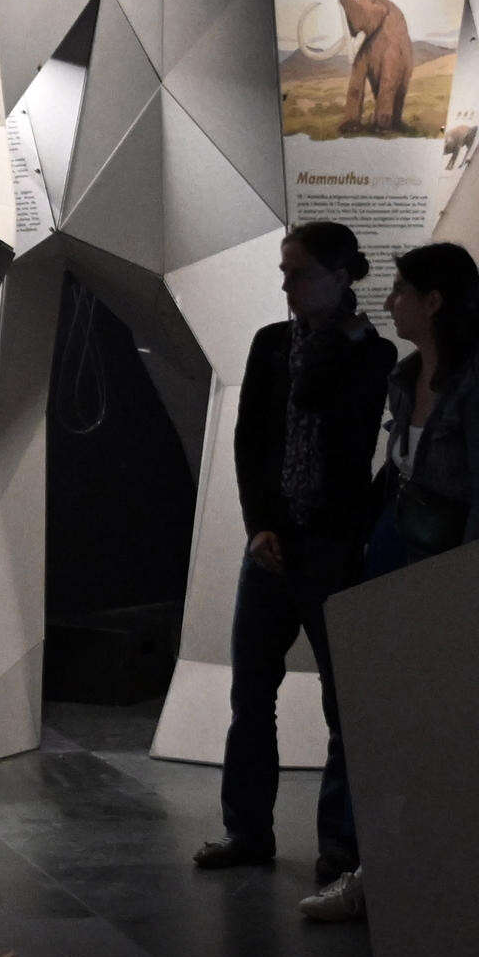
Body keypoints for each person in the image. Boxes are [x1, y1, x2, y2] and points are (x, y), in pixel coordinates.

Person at [300, 238, 479, 924]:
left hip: (447, 574)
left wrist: (469, 590)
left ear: (433, 301)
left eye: (401, 290)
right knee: (388, 724)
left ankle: (428, 877)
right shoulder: (406, 377)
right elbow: (400, 470)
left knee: (443, 735)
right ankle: (376, 872)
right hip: (397, 562)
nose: (390, 300)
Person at [194, 223, 394, 892]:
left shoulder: (371, 353)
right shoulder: (270, 344)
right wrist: (257, 527)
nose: (285, 284)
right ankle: (247, 830)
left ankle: (338, 845)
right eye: (285, 271)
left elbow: (319, 401)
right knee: (251, 692)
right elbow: (250, 442)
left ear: (340, 276)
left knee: (344, 704)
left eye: (299, 272)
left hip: (333, 545)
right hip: (274, 546)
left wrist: (342, 338)